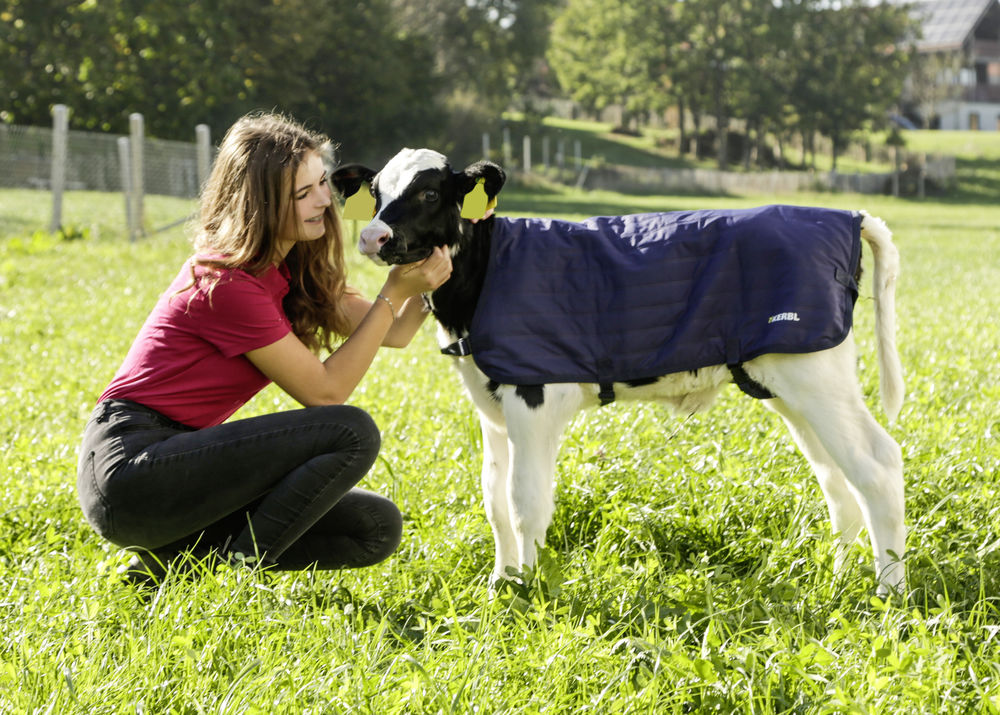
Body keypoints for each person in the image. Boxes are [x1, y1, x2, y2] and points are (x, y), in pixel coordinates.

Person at [77, 112, 452, 583]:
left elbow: (394, 332)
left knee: (374, 527)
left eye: (322, 183)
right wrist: (393, 291)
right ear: (262, 205)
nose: (324, 202)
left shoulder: (289, 269)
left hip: (181, 467)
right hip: (133, 473)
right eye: (303, 194)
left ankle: (169, 562)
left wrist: (440, 259)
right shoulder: (226, 282)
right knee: (350, 430)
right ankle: (241, 577)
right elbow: (325, 394)